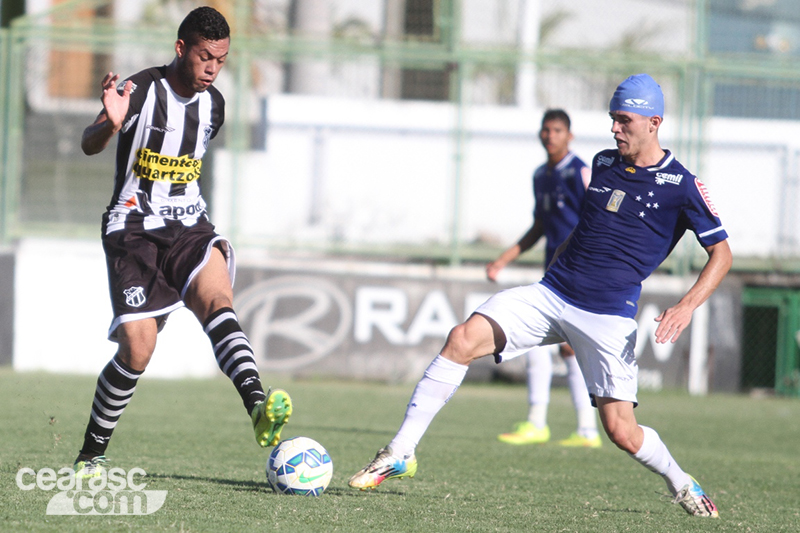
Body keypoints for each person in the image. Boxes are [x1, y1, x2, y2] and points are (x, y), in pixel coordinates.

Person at [349, 74, 731, 519]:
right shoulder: (605, 162)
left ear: (654, 122)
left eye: (624, 120)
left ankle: (682, 482)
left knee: (621, 432)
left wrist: (686, 306)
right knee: (460, 339)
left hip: (607, 316)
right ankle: (400, 451)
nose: (614, 129)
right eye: (612, 119)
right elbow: (585, 229)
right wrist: (553, 272)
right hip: (552, 293)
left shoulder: (683, 185)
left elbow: (721, 254)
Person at [73, 6, 292, 478]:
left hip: (189, 224)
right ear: (181, 48)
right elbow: (88, 143)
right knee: (138, 349)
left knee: (218, 301)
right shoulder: (139, 91)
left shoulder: (215, 106)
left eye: (222, 59)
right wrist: (109, 125)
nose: (213, 68)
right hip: (132, 229)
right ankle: (91, 455)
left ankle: (258, 404)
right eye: (205, 57)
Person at [487, 109, 600, 448]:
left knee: (541, 341)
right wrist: (503, 259)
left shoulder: (580, 172)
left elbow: (598, 218)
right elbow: (539, 227)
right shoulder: (541, 175)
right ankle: (585, 430)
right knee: (565, 347)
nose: (550, 135)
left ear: (570, 135)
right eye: (546, 130)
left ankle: (543, 422)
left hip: (578, 271)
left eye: (557, 130)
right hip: (554, 272)